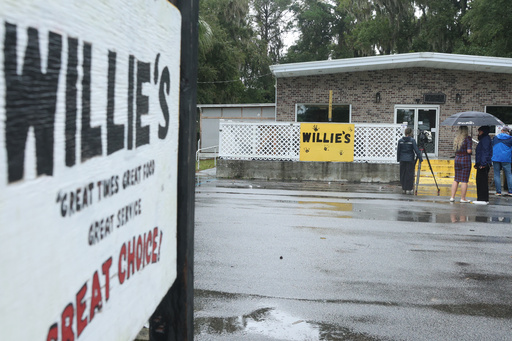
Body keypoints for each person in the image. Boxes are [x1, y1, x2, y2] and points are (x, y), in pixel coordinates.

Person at [397, 127, 422, 194]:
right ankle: (409, 187)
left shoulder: (400, 141)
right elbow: (416, 150)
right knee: (409, 174)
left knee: (403, 173)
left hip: (402, 159)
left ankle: (404, 187)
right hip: (410, 159)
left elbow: (398, 151)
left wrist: (398, 159)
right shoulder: (412, 140)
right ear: (411, 133)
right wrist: (420, 158)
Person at [450, 126, 472, 203]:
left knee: (456, 179)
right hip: (465, 159)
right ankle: (463, 198)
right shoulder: (468, 138)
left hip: (457, 159)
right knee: (464, 180)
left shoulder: (457, 139)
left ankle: (452, 197)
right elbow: (469, 151)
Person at [473, 126, 492, 204]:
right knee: (481, 181)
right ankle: (481, 198)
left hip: (483, 164)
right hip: (481, 163)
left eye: (479, 132)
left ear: (483, 131)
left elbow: (484, 152)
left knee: (482, 182)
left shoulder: (485, 140)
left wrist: (483, 164)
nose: (478, 133)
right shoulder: (485, 139)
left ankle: (482, 198)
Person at [491, 126, 512, 196]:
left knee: (497, 174)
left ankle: (498, 192)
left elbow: (492, 145)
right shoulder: (510, 139)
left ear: (502, 130)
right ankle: (510, 191)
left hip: (496, 158)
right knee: (508, 174)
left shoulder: (495, 138)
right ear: (508, 132)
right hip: (506, 159)